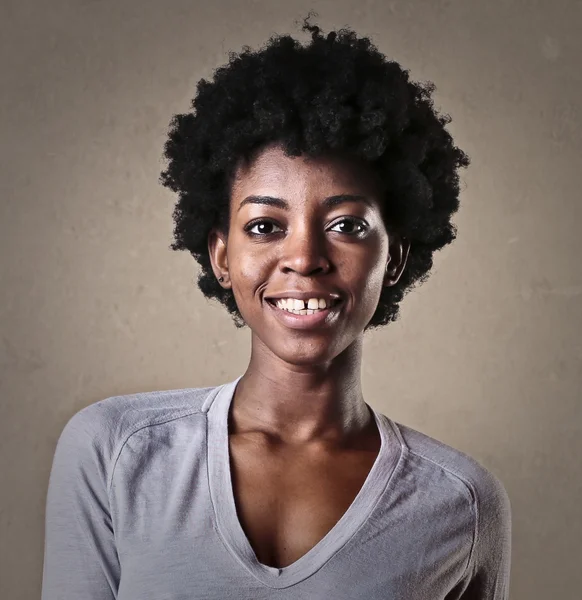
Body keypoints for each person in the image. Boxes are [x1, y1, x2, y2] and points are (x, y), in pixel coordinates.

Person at [41, 13, 511, 600]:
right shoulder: (116, 452)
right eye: (265, 226)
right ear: (220, 254)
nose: (304, 257)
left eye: (345, 224)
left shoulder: (460, 504)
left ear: (394, 256)